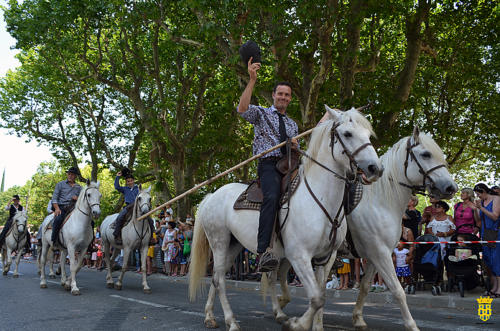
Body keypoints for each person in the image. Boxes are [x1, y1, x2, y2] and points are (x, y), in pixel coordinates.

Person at [237, 57, 299, 272]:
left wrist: (295, 146)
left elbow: (295, 151)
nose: (283, 97)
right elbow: (242, 109)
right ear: (273, 96)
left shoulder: (293, 124)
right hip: (269, 165)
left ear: (290, 99)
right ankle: (263, 251)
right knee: (272, 197)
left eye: (287, 95)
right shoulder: (262, 113)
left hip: (290, 165)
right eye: (280, 93)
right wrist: (252, 80)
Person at [473, 183, 500, 297]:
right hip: (485, 233)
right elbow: (479, 219)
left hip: (495, 232)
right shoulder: (482, 202)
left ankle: (499, 288)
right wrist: (476, 209)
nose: (478, 196)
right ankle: (494, 287)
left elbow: (494, 216)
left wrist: (481, 208)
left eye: (479, 194)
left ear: (484, 191)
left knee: (496, 259)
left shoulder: (496, 199)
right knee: (488, 260)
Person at [51, 167, 82, 245]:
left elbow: (83, 200)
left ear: (76, 176)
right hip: (62, 207)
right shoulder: (60, 184)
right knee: (58, 220)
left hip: (74, 208)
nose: (70, 176)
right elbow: (54, 199)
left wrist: (77, 198)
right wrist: (57, 208)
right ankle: (54, 242)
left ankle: (87, 244)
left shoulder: (79, 187)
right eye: (69, 174)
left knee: (89, 221)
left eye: (72, 174)